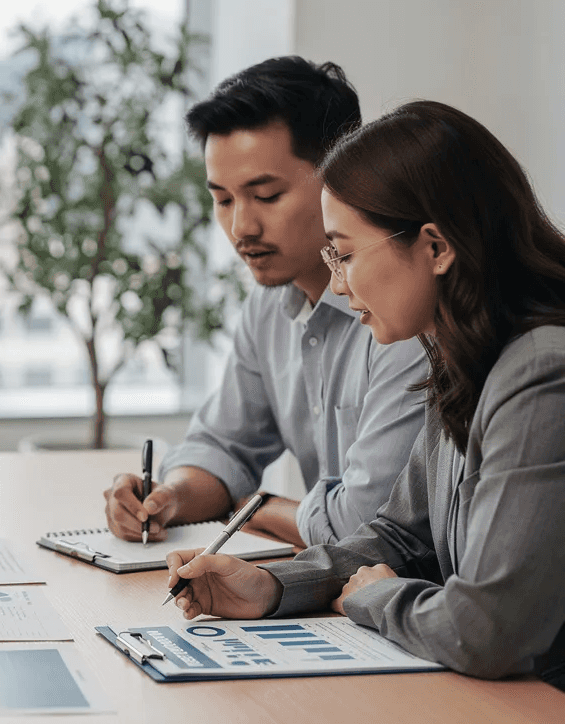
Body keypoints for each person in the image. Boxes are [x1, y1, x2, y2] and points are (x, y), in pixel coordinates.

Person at [167, 99, 565, 687]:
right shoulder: (462, 358)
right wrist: (274, 586)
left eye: (346, 254)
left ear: (435, 248)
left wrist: (378, 599)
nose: (338, 280)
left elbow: (488, 630)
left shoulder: (539, 374)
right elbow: (402, 535)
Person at [103, 57, 427, 548]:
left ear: (344, 177)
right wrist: (168, 496)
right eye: (224, 200)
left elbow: (369, 522)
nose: (241, 229)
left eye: (267, 195)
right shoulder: (270, 307)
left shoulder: (405, 315)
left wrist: (254, 509)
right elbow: (222, 445)